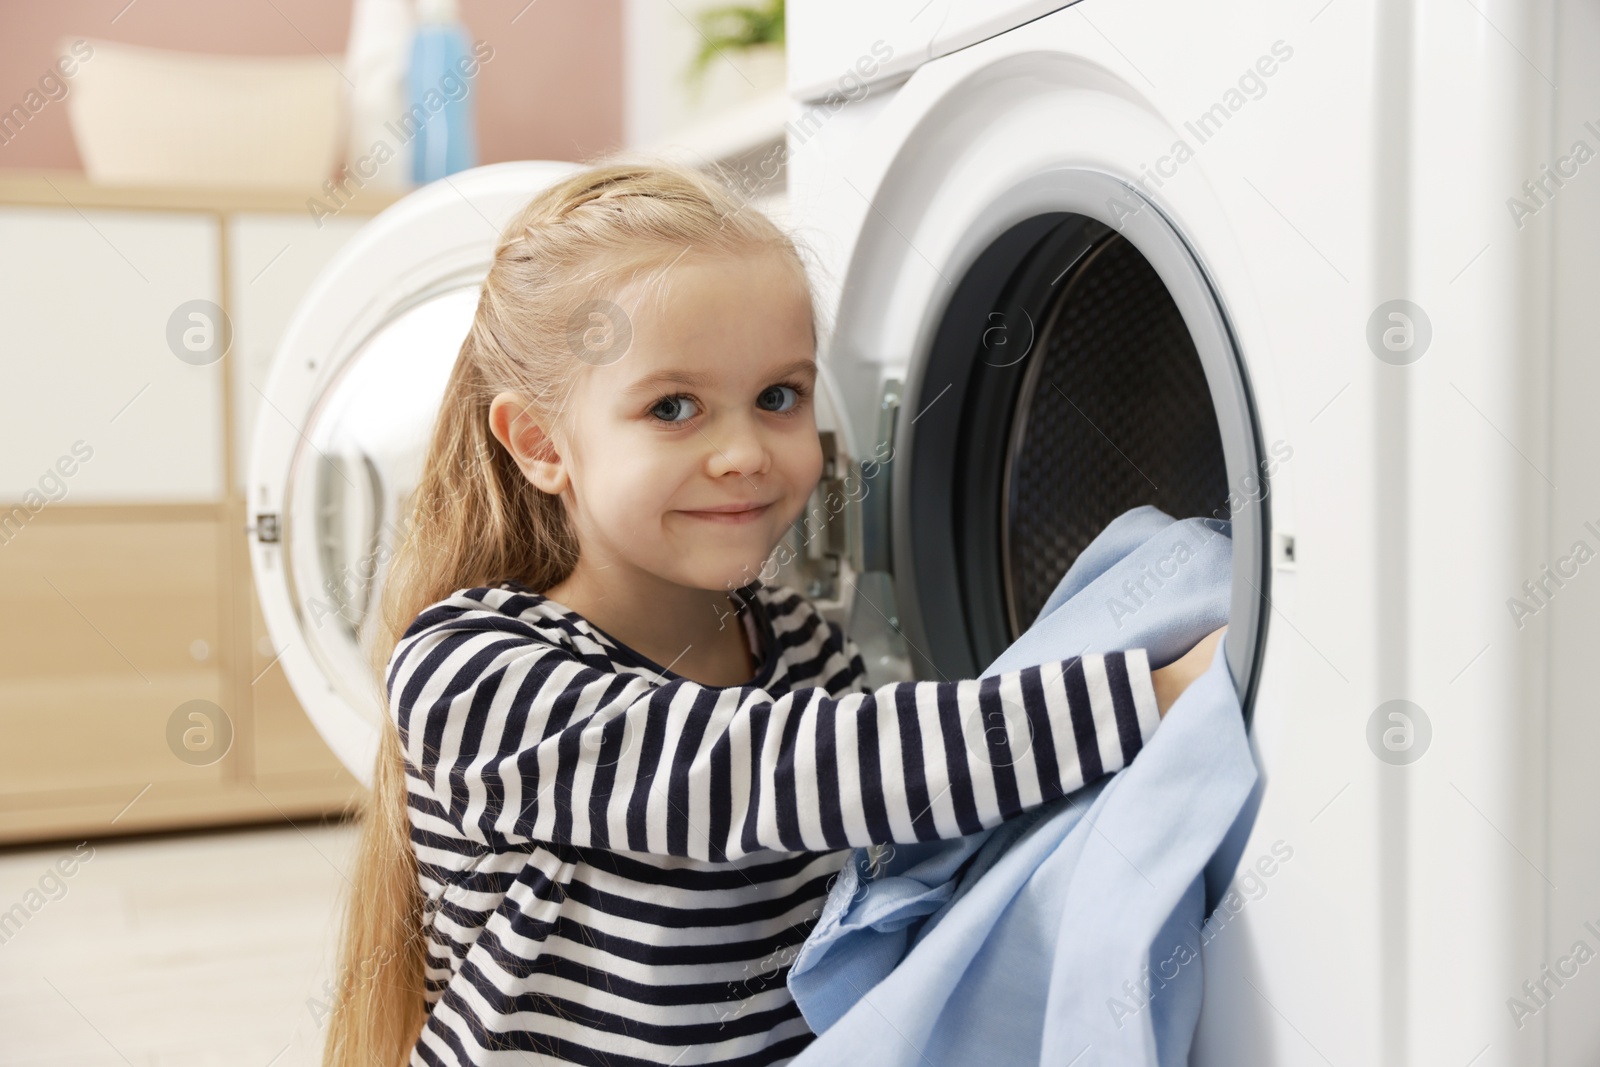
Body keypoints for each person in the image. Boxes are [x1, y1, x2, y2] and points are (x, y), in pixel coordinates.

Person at [322, 158, 1227, 1067]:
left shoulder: (796, 645)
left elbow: (889, 839)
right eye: (674, 407)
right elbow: (768, 773)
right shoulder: (471, 668)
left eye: (778, 396)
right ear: (541, 443)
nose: (744, 451)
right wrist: (1147, 694)